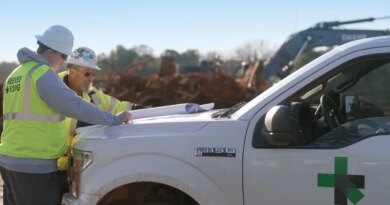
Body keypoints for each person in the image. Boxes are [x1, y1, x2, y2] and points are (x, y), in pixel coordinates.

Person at [0, 25, 132, 205]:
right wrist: (114, 119)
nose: (62, 62)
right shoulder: (43, 74)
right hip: (33, 165)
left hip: (8, 160)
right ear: (51, 52)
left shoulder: (16, 74)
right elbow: (74, 105)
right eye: (63, 56)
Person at [57, 46, 145, 199]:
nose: (91, 78)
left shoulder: (90, 92)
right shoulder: (54, 89)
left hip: (76, 165)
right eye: (87, 73)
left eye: (93, 74)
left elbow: (115, 106)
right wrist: (94, 121)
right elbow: (66, 123)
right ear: (72, 71)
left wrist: (141, 110)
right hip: (54, 167)